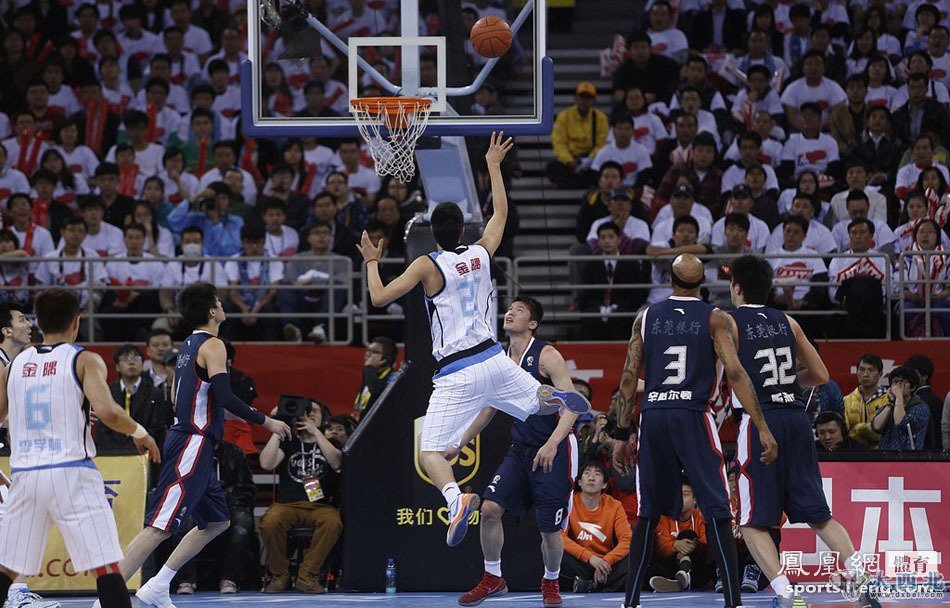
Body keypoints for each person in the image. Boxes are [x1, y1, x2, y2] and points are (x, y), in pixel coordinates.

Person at [357, 132, 590, 548]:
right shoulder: (481, 252)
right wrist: (493, 166)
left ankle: (456, 499)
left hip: (458, 370)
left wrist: (372, 262)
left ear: (433, 233)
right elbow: (501, 212)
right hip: (495, 359)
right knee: (538, 405)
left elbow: (378, 297)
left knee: (431, 454)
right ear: (464, 229)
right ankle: (552, 395)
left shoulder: (427, 265)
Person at [93, 283, 291, 608]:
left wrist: (217, 414)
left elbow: (180, 397)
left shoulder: (187, 345)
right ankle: (105, 601)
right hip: (192, 443)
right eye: (219, 302)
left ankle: (158, 586)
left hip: (194, 440)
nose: (223, 305)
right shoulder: (214, 345)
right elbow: (225, 396)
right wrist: (266, 421)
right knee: (159, 526)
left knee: (217, 522)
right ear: (212, 310)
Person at [609, 253, 778, 608]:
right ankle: (733, 601)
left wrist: (621, 434)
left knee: (647, 512)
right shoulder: (715, 317)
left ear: (670, 280)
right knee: (717, 508)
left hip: (654, 414)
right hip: (694, 414)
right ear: (703, 283)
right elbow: (735, 373)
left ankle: (630, 602)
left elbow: (628, 378)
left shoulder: (645, 317)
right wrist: (761, 425)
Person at [727, 255, 880, 608]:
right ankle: (861, 576)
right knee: (820, 516)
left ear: (736, 288)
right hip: (796, 418)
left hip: (761, 419)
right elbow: (821, 375)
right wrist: (789, 386)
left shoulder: (728, 322)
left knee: (751, 523)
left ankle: (788, 596)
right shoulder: (789, 321)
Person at [0, 288, 161, 608]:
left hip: (26, 474)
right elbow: (109, 413)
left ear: (39, 323)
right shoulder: (83, 359)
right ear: (76, 322)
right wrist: (142, 433)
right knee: (105, 568)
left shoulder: (14, 365)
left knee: (8, 567)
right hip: (71, 471)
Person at [457, 297, 581, 607]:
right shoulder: (499, 359)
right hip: (521, 449)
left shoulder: (547, 355)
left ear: (533, 323)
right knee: (489, 510)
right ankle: (493, 578)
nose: (510, 313)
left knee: (550, 529)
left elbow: (573, 405)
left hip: (556, 449)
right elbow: (489, 407)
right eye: (510, 309)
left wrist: (552, 443)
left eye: (520, 310)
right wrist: (459, 442)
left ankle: (551, 581)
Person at [0, 303, 59, 608]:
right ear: (6, 330)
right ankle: (17, 595)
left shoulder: (13, 364)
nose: (29, 324)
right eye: (22, 320)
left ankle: (16, 593)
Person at [259, 400, 342, 594]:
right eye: (305, 410)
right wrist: (277, 426)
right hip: (288, 505)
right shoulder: (288, 442)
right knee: (270, 522)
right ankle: (280, 575)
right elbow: (266, 463)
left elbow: (337, 463)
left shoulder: (331, 443)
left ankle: (307, 575)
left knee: (332, 522)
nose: (310, 414)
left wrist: (316, 432)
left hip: (320, 506)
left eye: (314, 411)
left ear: (323, 418)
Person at [559, 461, 630, 593]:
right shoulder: (569, 503)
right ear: (579, 482)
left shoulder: (615, 506)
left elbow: (627, 540)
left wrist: (607, 561)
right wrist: (589, 557)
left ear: (604, 484)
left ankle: (591, 585)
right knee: (555, 550)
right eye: (587, 473)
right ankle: (595, 584)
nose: (591, 478)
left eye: (597, 474)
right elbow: (560, 536)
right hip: (581, 562)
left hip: (606, 564)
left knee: (633, 557)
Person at [648, 479, 711, 593]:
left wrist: (693, 544)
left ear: (695, 499)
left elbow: (707, 543)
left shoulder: (701, 516)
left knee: (688, 535)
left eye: (685, 495)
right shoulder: (664, 518)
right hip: (672, 566)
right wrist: (675, 545)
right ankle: (681, 580)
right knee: (655, 562)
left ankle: (684, 575)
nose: (680, 499)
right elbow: (662, 548)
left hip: (698, 567)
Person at [873, 366, 931, 452]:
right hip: (885, 456)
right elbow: (876, 427)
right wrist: (890, 403)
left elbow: (901, 422)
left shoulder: (921, 407)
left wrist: (899, 396)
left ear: (913, 387)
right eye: (895, 381)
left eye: (903, 382)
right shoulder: (888, 404)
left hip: (909, 457)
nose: (898, 386)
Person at [843, 354, 888, 449]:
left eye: (871, 370)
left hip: (883, 452)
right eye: (862, 370)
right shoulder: (847, 400)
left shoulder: (889, 399)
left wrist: (858, 429)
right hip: (853, 453)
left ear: (880, 374)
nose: (865, 374)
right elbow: (844, 432)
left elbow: (887, 432)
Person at [352, 336, 396, 421]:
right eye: (368, 350)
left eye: (375, 352)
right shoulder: (371, 375)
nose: (368, 354)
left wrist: (369, 367)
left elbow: (376, 390)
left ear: (386, 358)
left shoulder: (392, 379)